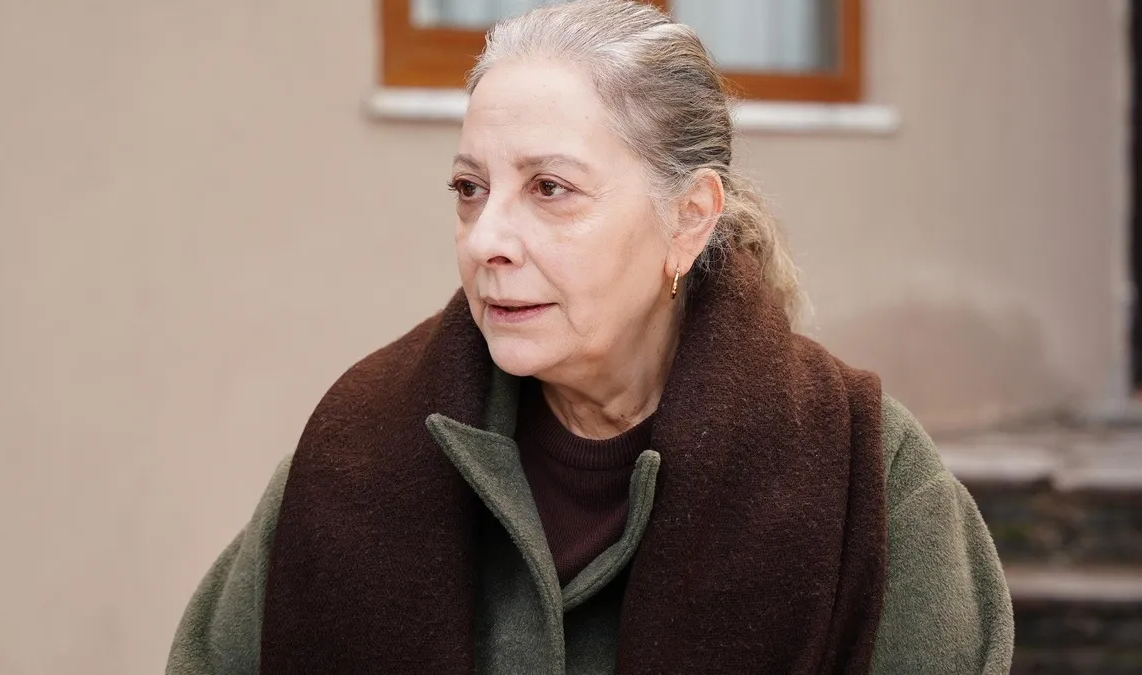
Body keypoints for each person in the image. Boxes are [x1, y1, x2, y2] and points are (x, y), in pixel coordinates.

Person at [166, 1, 1014, 673]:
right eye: (469, 188)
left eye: (550, 189)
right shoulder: (355, 451)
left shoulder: (869, 478)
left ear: (689, 219)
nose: (486, 238)